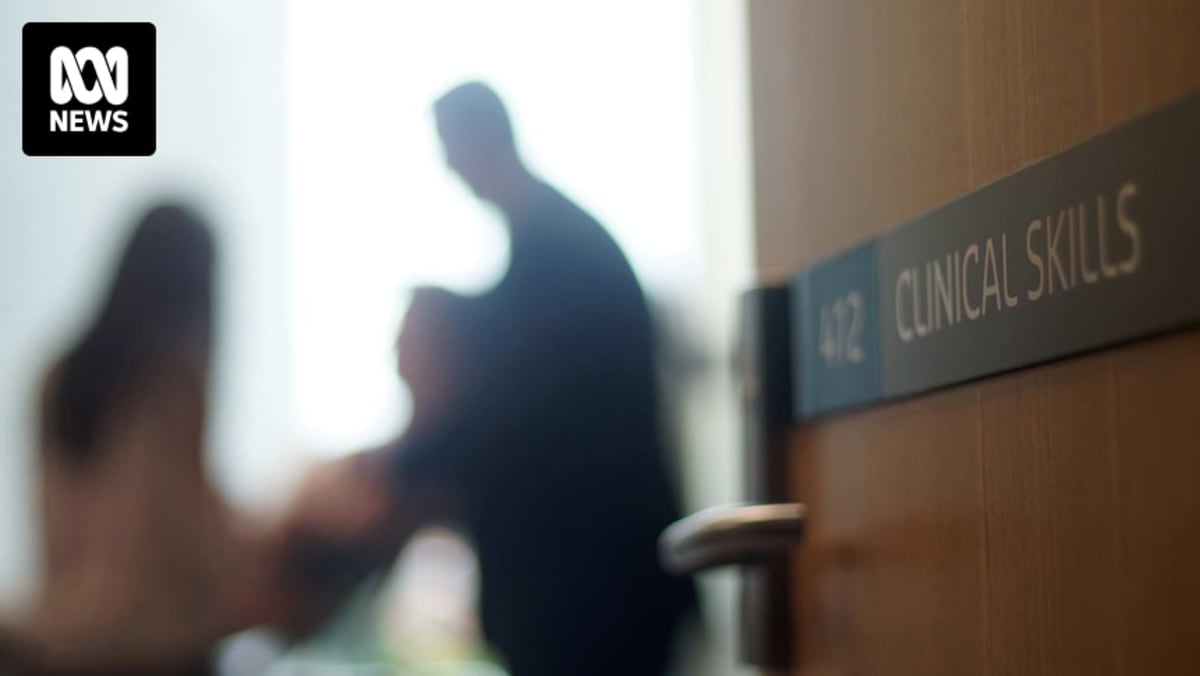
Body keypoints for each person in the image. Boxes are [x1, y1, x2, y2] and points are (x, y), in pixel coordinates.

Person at [278, 82, 696, 675]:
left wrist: (391, 464)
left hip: (595, 589)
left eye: (451, 150)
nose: (451, 171)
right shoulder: (549, 251)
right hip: (591, 587)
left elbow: (513, 410)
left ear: (484, 139)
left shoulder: (558, 254)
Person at [8, 205, 266, 675]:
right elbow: (188, 532)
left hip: (56, 634)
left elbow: (55, 534)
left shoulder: (58, 374)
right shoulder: (175, 381)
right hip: (153, 643)